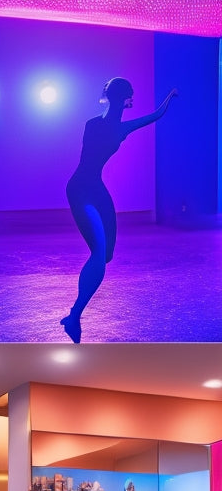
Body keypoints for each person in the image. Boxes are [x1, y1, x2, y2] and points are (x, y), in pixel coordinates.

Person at [61, 79, 179, 343]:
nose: (131, 100)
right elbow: (150, 117)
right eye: (129, 95)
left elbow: (156, 115)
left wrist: (169, 96)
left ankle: (73, 315)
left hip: (96, 188)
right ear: (124, 97)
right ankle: (74, 316)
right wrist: (168, 97)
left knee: (106, 256)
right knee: (99, 253)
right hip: (81, 188)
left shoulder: (116, 127)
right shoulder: (97, 126)